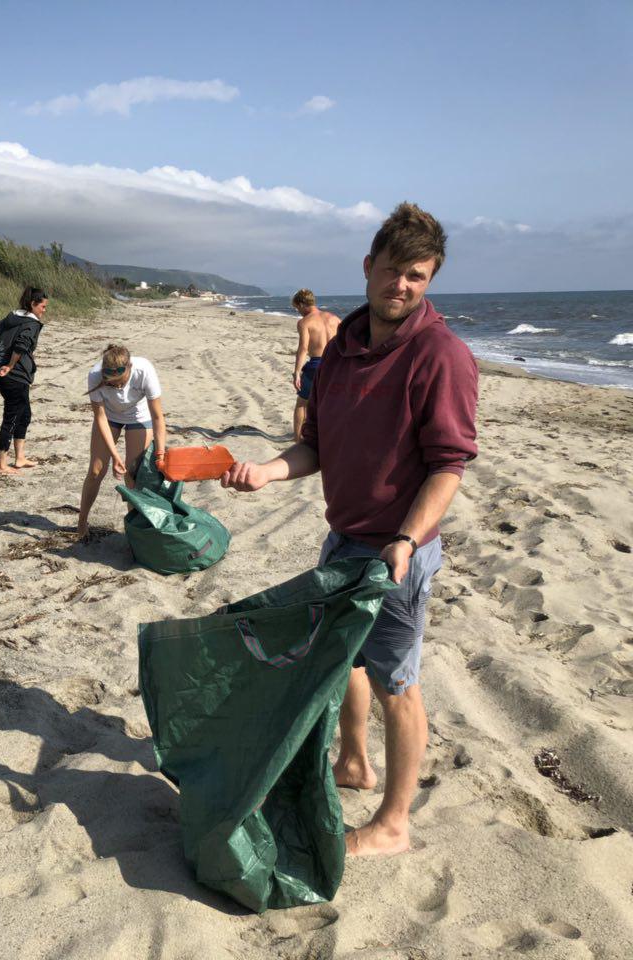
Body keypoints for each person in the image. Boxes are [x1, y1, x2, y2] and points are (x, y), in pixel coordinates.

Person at [220, 202, 477, 857]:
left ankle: (394, 824)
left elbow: (449, 466)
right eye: (394, 271)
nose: (403, 286)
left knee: (397, 681)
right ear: (368, 267)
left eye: (418, 277)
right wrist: (269, 473)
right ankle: (354, 764)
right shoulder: (339, 354)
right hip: (346, 538)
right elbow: (318, 450)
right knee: (347, 661)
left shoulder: (441, 355)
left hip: (398, 550)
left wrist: (405, 540)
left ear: (430, 280)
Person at [76, 344, 167, 538]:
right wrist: (115, 455)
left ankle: (132, 527)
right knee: (95, 470)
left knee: (132, 473)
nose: (117, 387)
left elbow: (158, 417)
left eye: (120, 383)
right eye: (111, 384)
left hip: (139, 417)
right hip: (109, 417)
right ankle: (82, 522)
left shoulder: (144, 371)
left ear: (129, 368)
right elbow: (99, 418)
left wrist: (160, 453)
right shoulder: (95, 375)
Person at [0, 286, 47, 475]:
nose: (44, 310)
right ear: (33, 304)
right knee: (11, 417)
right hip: (14, 375)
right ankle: (1, 464)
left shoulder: (11, 317)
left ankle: (19, 457)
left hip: (2, 372)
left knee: (25, 414)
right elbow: (20, 345)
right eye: (43, 307)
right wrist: (10, 366)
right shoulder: (31, 323)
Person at [291, 289, 341, 441]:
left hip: (316, 364)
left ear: (301, 304)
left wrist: (297, 372)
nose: (298, 311)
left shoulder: (304, 322)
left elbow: (303, 348)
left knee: (302, 403)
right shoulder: (335, 318)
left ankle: (298, 438)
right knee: (332, 402)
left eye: (297, 308)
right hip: (335, 363)